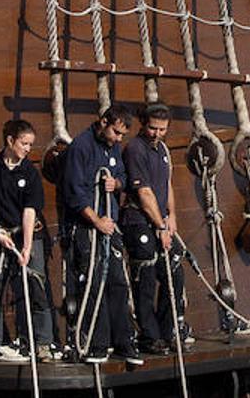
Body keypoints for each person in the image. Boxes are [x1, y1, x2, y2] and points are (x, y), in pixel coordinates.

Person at [0, 119, 61, 364]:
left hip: (29, 232)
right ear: (10, 141)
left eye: (31, 144)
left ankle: (42, 343)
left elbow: (30, 210)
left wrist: (28, 247)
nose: (28, 149)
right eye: (24, 143)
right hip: (1, 233)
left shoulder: (29, 173)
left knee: (36, 287)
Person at [61, 105, 142, 365]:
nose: (119, 139)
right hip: (88, 227)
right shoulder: (80, 148)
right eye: (116, 132)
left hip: (110, 225)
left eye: (122, 135)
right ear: (103, 121)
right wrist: (97, 221)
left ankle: (124, 342)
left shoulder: (114, 147)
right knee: (93, 284)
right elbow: (74, 193)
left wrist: (115, 184)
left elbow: (123, 177)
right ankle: (97, 343)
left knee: (118, 282)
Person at [121, 103, 193, 354]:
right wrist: (160, 225)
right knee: (146, 277)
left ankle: (168, 329)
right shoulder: (134, 149)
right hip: (139, 220)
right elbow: (144, 193)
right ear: (144, 124)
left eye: (162, 129)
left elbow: (166, 184)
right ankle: (149, 336)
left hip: (161, 219)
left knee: (175, 273)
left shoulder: (162, 148)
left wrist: (171, 216)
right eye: (153, 128)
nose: (157, 133)